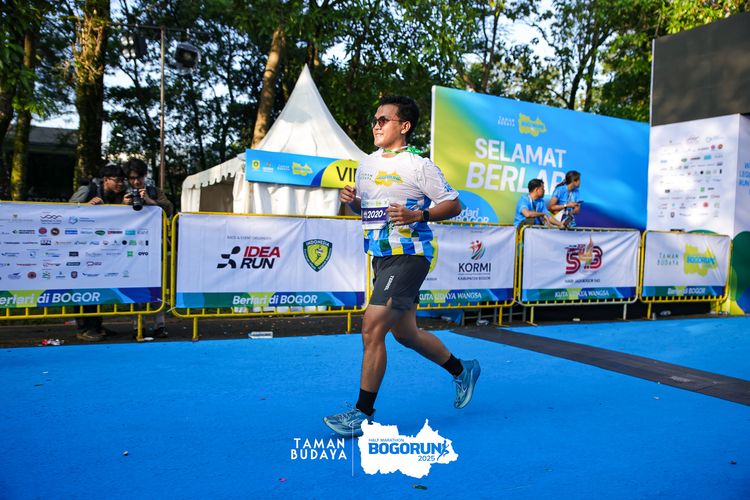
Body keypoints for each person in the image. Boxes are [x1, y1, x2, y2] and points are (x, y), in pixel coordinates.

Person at [324, 95, 481, 438]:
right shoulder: (366, 164)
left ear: (404, 126)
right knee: (405, 334)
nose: (376, 125)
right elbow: (368, 211)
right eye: (375, 119)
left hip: (410, 255)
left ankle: (362, 414)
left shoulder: (418, 166)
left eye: (384, 120)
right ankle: (462, 370)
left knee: (372, 328)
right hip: (380, 256)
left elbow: (454, 204)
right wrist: (353, 203)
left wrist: (418, 214)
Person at [69, 163, 127, 341]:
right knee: (83, 288)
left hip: (100, 248)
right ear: (105, 180)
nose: (120, 184)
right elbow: (67, 210)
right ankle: (84, 328)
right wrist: (87, 206)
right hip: (81, 248)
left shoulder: (117, 195)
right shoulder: (87, 189)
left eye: (122, 181)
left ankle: (96, 325)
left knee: (96, 288)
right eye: (117, 180)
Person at [123, 158, 173, 339]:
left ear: (145, 176)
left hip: (154, 245)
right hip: (130, 247)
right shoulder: (123, 192)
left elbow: (169, 209)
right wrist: (122, 205)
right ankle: (138, 325)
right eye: (132, 178)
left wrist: (150, 201)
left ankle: (160, 324)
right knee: (135, 286)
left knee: (156, 286)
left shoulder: (154, 191)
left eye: (139, 177)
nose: (136, 182)